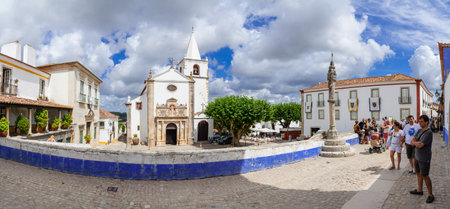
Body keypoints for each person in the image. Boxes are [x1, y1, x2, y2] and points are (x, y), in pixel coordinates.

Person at [410, 115, 434, 203]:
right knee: (418, 174)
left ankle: (430, 194)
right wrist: (416, 142)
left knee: (425, 175)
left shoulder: (429, 132)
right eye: (419, 121)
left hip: (424, 158)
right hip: (417, 156)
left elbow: (420, 145)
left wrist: (415, 142)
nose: (420, 123)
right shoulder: (420, 130)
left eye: (422, 121)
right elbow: (413, 141)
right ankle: (419, 190)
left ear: (427, 122)